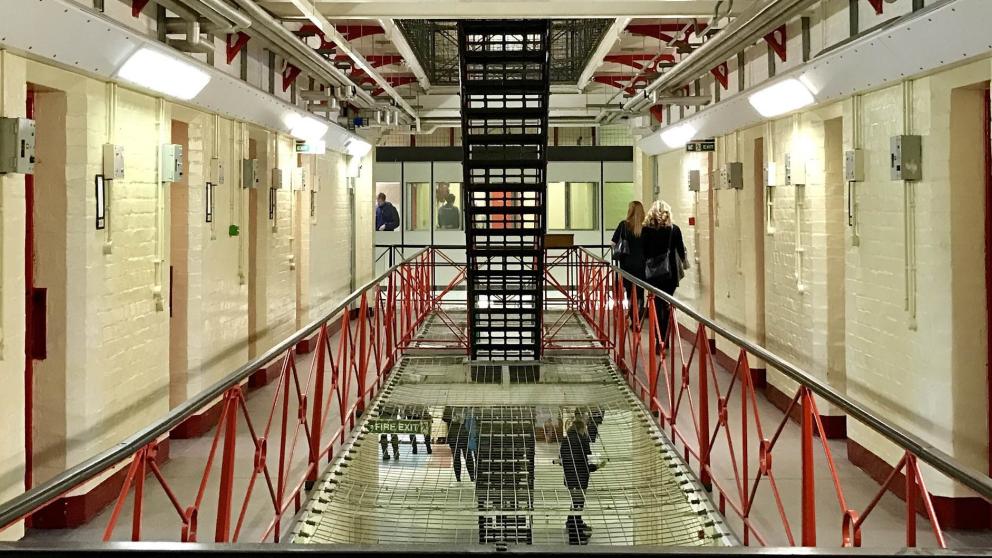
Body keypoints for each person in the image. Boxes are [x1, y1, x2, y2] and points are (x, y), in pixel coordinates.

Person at [641, 200, 688, 352]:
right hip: (670, 274)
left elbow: (643, 252)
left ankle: (657, 338)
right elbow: (681, 252)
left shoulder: (645, 230)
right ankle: (665, 339)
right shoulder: (674, 229)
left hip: (653, 274)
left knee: (656, 305)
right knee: (667, 306)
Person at [559, 418, 600, 545]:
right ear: (581, 429)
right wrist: (596, 466)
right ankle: (575, 535)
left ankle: (571, 523)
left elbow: (562, 458)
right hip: (580, 477)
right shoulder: (583, 441)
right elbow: (588, 461)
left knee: (575, 501)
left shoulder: (565, 440)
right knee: (578, 505)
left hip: (569, 477)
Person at [611, 201, 646, 323]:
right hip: (642, 265)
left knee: (630, 291)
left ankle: (632, 317)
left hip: (627, 264)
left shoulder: (624, 225)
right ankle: (638, 319)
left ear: (630, 211)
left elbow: (613, 243)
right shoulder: (646, 227)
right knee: (640, 292)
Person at [447, 408, 477, 482]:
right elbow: (445, 418)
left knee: (467, 456)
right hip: (455, 435)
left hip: (463, 434)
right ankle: (459, 478)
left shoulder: (465, 407)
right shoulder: (450, 407)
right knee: (458, 457)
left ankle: (471, 477)